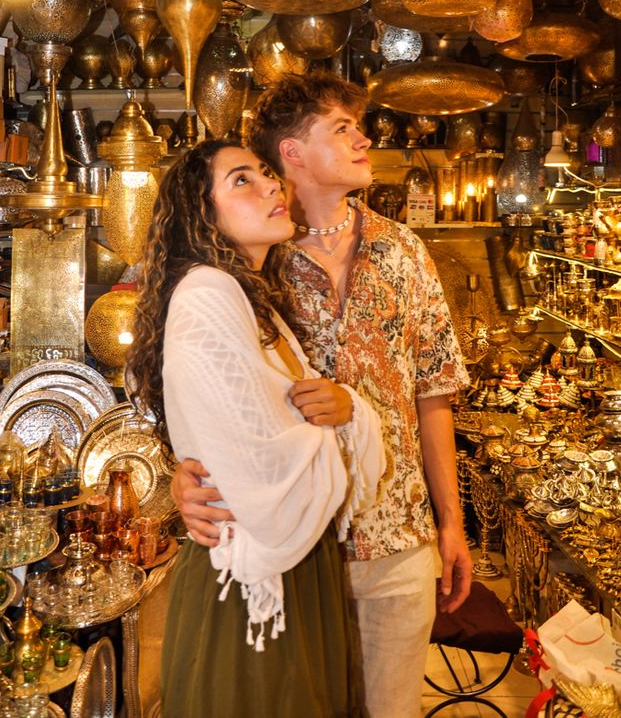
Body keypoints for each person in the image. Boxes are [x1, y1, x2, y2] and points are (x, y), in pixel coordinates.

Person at [172, 73, 472, 718]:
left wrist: (452, 523)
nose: (365, 139)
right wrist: (182, 471)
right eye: (343, 127)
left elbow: (434, 393)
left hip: (396, 536)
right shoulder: (243, 257)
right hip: (292, 549)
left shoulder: (405, 250)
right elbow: (177, 377)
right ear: (292, 152)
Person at [127, 139, 385, 718]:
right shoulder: (207, 294)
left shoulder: (253, 299)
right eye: (242, 180)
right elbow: (257, 464)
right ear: (203, 213)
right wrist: (337, 421)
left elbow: (289, 425)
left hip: (289, 565)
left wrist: (345, 408)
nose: (271, 186)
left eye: (267, 174)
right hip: (252, 580)